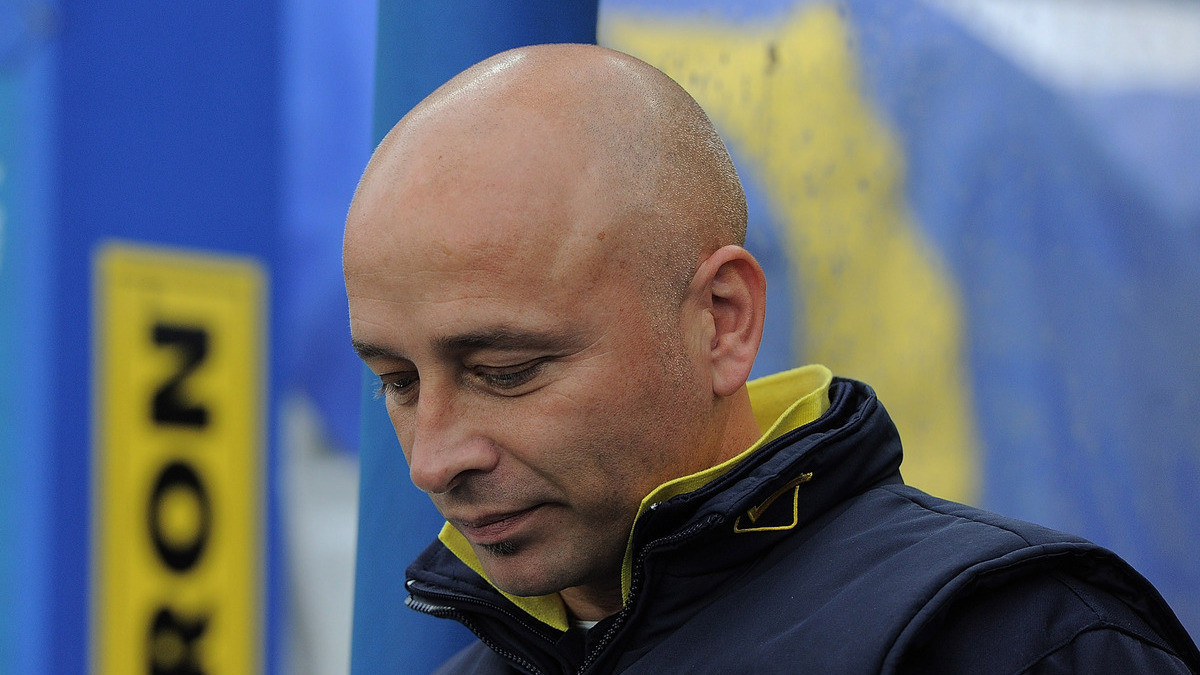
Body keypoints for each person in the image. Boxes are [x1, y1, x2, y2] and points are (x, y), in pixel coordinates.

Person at [343, 43, 1199, 674]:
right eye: (397, 383)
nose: (433, 459)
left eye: (505, 370)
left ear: (722, 320)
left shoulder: (1014, 643)